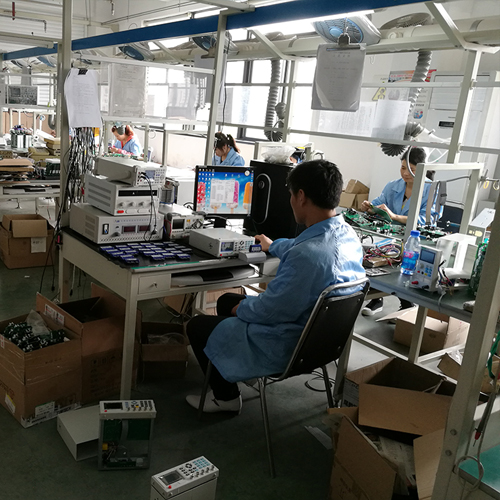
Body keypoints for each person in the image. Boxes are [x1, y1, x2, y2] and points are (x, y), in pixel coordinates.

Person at [185, 159, 366, 414]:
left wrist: (241, 310)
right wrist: (273, 245)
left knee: (197, 325)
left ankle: (226, 398)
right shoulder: (347, 235)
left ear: (301, 196)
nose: (290, 201)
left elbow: (271, 310)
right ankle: (234, 371)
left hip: (287, 345)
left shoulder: (308, 256)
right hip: (322, 345)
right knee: (226, 301)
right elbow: (301, 247)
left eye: (291, 195)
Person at [359, 147, 438, 316]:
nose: (405, 173)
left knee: (403, 269)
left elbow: (427, 220)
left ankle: (407, 304)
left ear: (423, 170)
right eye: (403, 168)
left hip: (416, 239)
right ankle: (377, 298)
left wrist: (395, 216)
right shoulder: (393, 186)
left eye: (411, 169)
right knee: (375, 260)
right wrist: (370, 207)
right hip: (390, 236)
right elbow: (379, 203)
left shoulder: (431, 190)